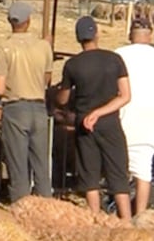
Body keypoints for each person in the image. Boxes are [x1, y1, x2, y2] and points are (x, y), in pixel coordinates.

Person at [56, 16, 132, 220]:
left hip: (83, 123)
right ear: (97, 33)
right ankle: (126, 222)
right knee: (118, 172)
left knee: (89, 174)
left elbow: (63, 99)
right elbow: (125, 96)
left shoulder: (72, 65)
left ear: (78, 38)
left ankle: (95, 219)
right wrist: (100, 112)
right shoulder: (114, 59)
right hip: (109, 122)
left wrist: (63, 93)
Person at [0, 1, 54, 202]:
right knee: (41, 166)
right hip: (38, 108)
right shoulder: (44, 46)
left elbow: (0, 88)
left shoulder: (3, 48)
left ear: (10, 22)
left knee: (17, 166)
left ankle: (21, 206)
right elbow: (47, 79)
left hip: (15, 108)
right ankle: (45, 207)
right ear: (28, 21)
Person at [115, 23, 154, 214]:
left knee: (120, 169)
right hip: (148, 119)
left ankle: (124, 213)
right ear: (150, 35)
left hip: (123, 116)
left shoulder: (119, 53)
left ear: (130, 35)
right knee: (144, 172)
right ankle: (141, 213)